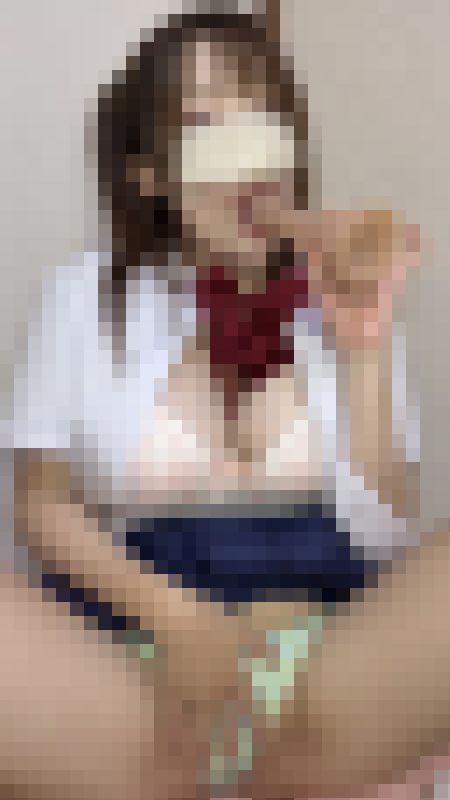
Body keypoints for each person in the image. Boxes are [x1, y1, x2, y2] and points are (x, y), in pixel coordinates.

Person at [10, 8, 426, 799]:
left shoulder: (342, 292)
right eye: (207, 126)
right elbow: (41, 506)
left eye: (265, 122)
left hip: (327, 673)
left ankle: (292, 770)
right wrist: (182, 621)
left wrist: (366, 344)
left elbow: (386, 534)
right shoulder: (85, 294)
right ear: (151, 174)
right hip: (136, 669)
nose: (250, 163)